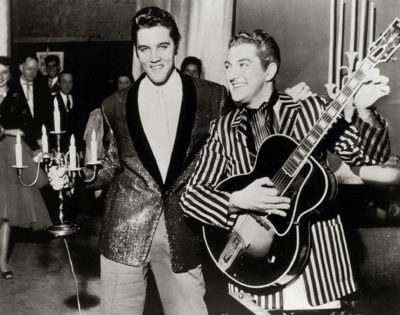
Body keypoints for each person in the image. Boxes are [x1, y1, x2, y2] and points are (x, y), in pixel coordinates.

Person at [180, 30, 391, 312]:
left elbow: (367, 157)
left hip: (319, 278)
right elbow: (190, 197)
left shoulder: (312, 110)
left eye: (243, 64)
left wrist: (366, 112)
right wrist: (236, 200)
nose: (231, 74)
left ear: (270, 70)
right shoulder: (224, 129)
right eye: (228, 66)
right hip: (253, 283)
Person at [49, 6, 231, 315]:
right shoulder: (115, 105)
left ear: (177, 45)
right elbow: (110, 164)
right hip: (124, 229)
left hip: (183, 229)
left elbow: (229, 156)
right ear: (136, 51)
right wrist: (73, 178)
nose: (154, 57)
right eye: (144, 48)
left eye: (163, 46)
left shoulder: (213, 97)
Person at [0, 56, 51, 280]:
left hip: (9, 153)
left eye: (4, 73)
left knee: (6, 213)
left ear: (10, 74)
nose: (0, 77)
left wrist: (5, 132)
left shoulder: (15, 97)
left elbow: (24, 129)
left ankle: (2, 263)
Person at [15, 55, 52, 151]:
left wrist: (41, 137)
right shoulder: (12, 88)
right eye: (29, 69)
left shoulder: (42, 88)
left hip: (39, 143)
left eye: (35, 69)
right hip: (19, 143)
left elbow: (46, 116)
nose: (33, 73)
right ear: (21, 67)